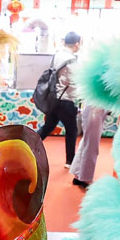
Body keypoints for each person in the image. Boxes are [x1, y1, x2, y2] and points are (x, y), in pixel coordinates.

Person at [37, 31, 81, 167]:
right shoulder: (72, 60)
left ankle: (30, 146)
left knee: (48, 127)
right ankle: (70, 161)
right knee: (71, 131)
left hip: (53, 98)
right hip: (66, 100)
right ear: (77, 44)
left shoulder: (57, 55)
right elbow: (74, 82)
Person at [70, 103, 107, 188]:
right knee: (91, 144)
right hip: (95, 109)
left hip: (95, 109)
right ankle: (85, 178)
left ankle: (78, 175)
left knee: (86, 142)